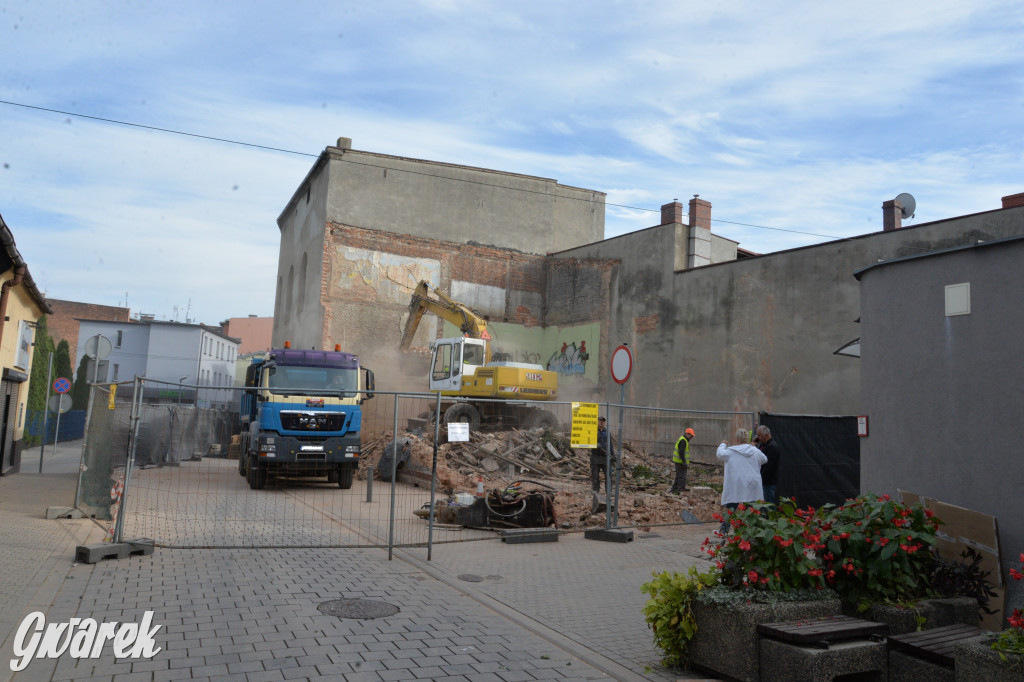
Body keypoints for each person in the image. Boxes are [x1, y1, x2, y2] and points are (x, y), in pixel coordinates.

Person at [716, 428, 767, 539]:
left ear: (737, 438)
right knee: (751, 507)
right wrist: (753, 448)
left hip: (736, 482)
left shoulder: (730, 451)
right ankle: (751, 529)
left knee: (731, 506)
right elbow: (764, 460)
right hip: (751, 482)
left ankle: (724, 530)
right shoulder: (754, 450)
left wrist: (722, 444)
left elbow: (720, 454)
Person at [755, 425, 781, 506]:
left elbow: (769, 467)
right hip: (764, 481)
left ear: (766, 435)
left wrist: (760, 478)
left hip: (768, 482)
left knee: (768, 504)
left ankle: (770, 518)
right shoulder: (763, 445)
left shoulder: (772, 447)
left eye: (759, 435)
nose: (757, 437)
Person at [591, 417, 615, 492]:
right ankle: (596, 491)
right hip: (595, 457)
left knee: (608, 475)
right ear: (597, 422)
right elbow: (588, 442)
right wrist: (594, 444)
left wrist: (612, 455)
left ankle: (609, 492)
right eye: (600, 421)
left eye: (603, 421)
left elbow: (610, 444)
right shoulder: (592, 431)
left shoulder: (607, 432)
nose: (602, 422)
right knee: (595, 475)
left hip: (605, 458)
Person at [669, 428, 695, 493]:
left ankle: (674, 489)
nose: (691, 437)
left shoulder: (683, 439)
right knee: (682, 477)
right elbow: (681, 452)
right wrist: (683, 461)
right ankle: (680, 491)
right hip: (680, 462)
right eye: (691, 436)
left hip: (678, 461)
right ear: (687, 434)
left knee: (678, 476)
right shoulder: (683, 441)